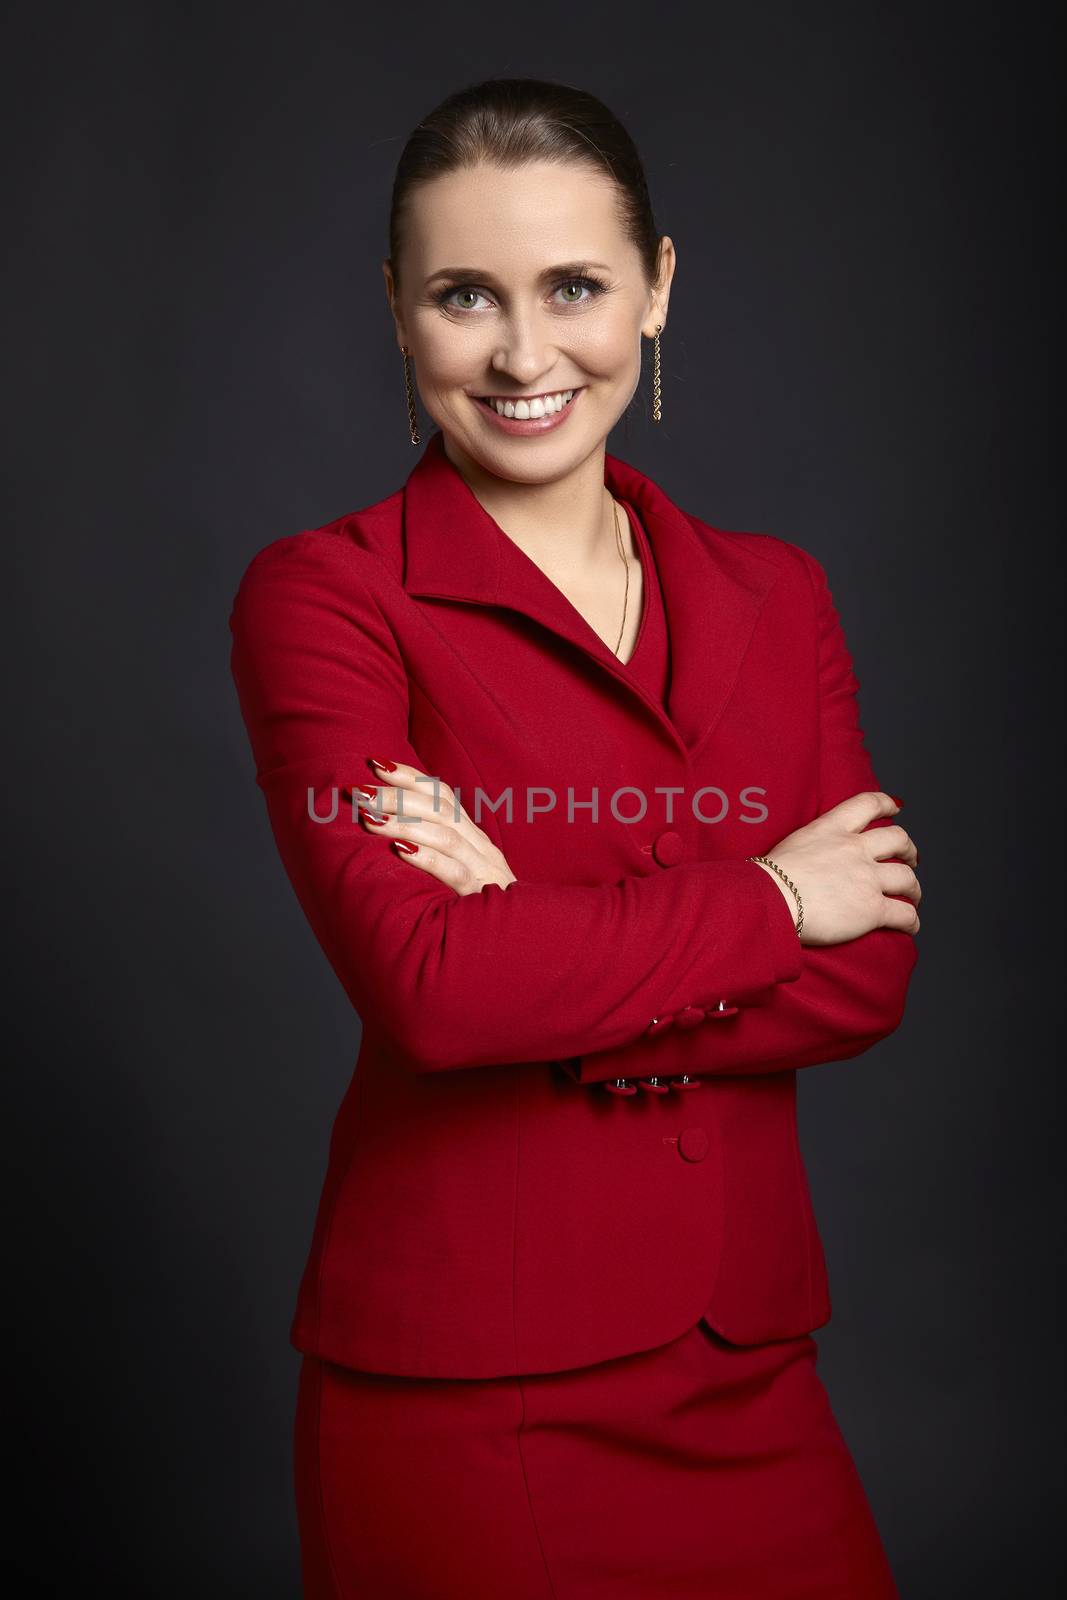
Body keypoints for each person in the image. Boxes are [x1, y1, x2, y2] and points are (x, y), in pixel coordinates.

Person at [228, 76, 921, 1600]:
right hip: (471, 1395)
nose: (526, 354)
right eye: (465, 295)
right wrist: (766, 896)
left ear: (658, 290)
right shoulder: (328, 598)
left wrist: (529, 932)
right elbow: (430, 988)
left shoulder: (777, 595)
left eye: (576, 288)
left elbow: (870, 974)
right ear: (399, 313)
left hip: (746, 1369)